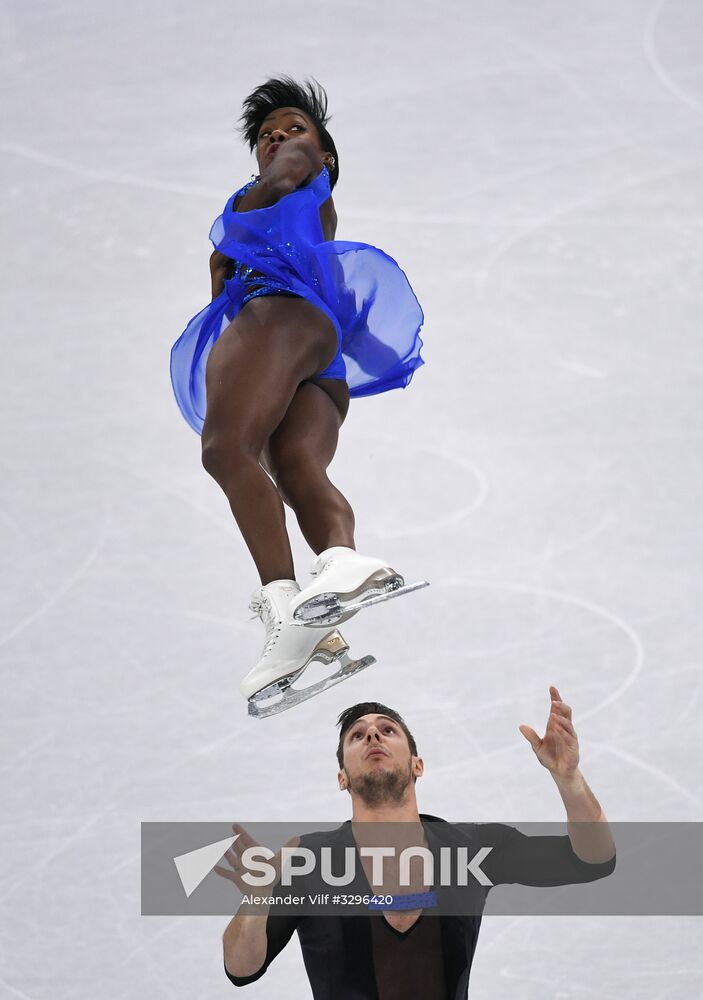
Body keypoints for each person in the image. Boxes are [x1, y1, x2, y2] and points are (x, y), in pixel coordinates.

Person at [170, 78, 426, 717]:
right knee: (294, 467)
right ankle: (340, 565)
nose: (278, 139)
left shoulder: (286, 182)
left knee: (227, 449)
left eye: (294, 129)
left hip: (275, 320)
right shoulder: (304, 215)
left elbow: (279, 185)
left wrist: (255, 197)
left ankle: (285, 608)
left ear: (326, 155)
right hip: (317, 350)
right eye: (265, 137)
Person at [217, 686, 616, 998]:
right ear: (342, 777)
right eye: (357, 735)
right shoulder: (308, 861)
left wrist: (569, 780)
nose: (372, 732)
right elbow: (241, 969)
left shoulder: (471, 849)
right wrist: (256, 902)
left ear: (417, 765)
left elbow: (591, 861)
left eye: (387, 730)